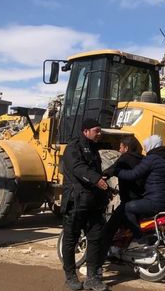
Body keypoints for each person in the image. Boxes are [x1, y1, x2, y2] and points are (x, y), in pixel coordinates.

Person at [60, 118, 109, 291]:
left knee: (95, 239)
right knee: (71, 239)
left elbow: (95, 174)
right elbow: (78, 168)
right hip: (76, 202)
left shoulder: (94, 148)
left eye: (100, 130)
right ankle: (70, 276)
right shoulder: (73, 147)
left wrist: (105, 189)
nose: (100, 133)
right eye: (97, 130)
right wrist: (96, 179)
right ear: (85, 131)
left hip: (93, 203)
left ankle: (92, 278)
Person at [112, 135, 165, 248]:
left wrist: (117, 171)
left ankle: (139, 239)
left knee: (126, 208)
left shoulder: (151, 159)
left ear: (151, 146)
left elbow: (133, 174)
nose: (145, 151)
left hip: (154, 202)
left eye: (146, 147)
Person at [100, 136, 144, 250]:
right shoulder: (143, 159)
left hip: (129, 200)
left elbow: (112, 169)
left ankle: (102, 253)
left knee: (110, 227)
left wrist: (101, 177)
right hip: (142, 200)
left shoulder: (125, 158)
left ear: (126, 148)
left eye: (120, 147)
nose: (119, 150)